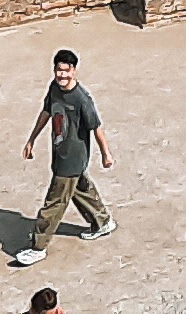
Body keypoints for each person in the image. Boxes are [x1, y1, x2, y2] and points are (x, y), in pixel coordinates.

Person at [13, 47, 117, 260]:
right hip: (60, 153)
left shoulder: (81, 99)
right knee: (79, 189)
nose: (62, 75)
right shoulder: (54, 88)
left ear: (74, 71)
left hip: (72, 158)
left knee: (54, 204)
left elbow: (96, 127)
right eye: (59, 70)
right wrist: (31, 139)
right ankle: (103, 221)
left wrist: (106, 154)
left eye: (66, 71)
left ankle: (38, 247)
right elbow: (46, 112)